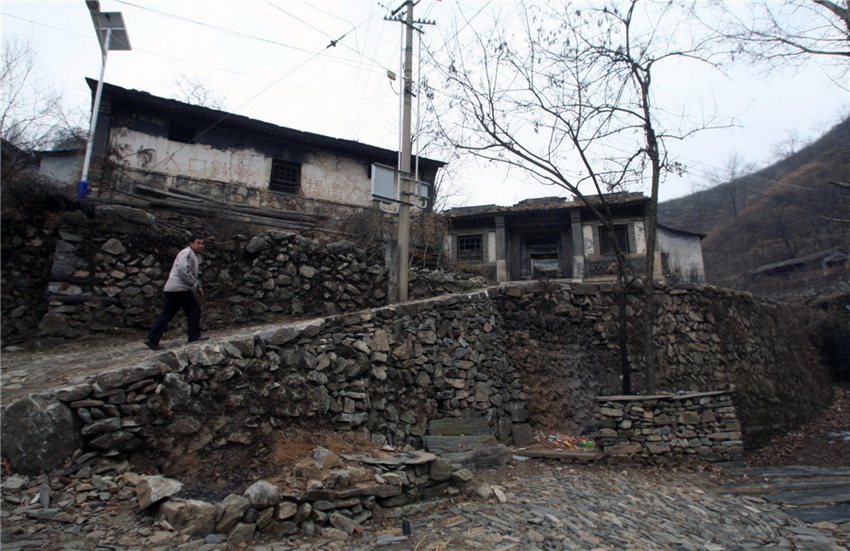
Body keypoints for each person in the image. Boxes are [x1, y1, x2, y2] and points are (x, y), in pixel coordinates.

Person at [144, 235, 208, 350]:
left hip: (172, 288)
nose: (200, 246)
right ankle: (194, 335)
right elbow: (183, 270)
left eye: (202, 243)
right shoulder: (187, 253)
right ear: (191, 243)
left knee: (167, 314)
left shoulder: (190, 254)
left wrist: (197, 285)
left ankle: (152, 338)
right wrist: (193, 284)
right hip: (181, 288)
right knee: (194, 309)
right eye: (198, 243)